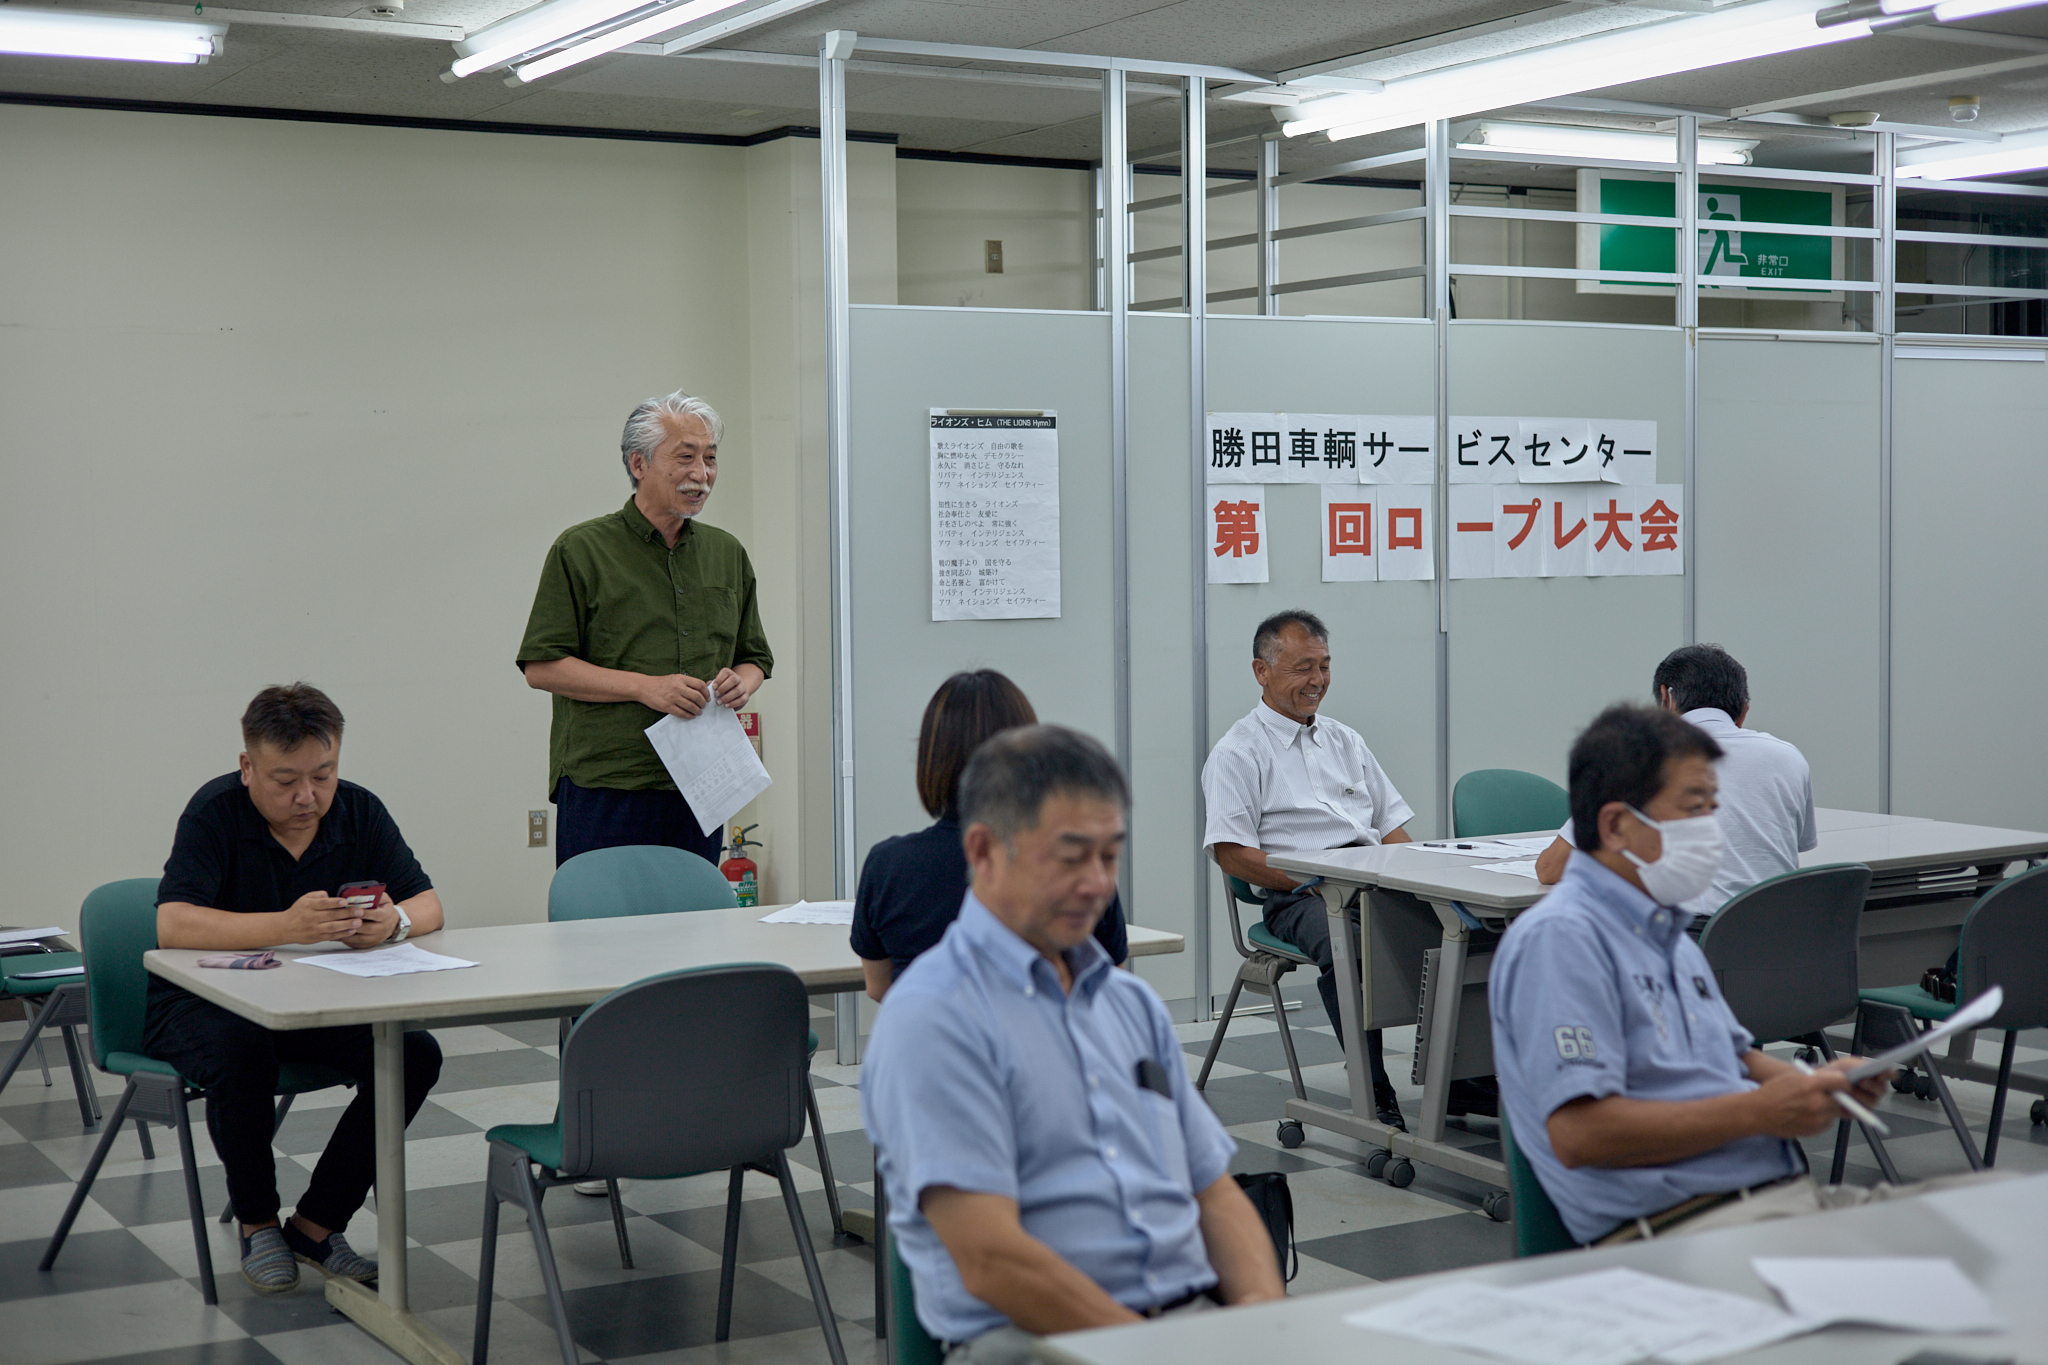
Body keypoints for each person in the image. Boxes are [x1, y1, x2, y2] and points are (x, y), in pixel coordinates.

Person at [863, 726, 1284, 1364]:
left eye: (1109, 856)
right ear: (983, 851)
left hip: (1184, 1325)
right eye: (1069, 856)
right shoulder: (935, 1015)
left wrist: (1260, 1320)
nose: (1096, 884)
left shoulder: (1129, 1004)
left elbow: (1213, 1190)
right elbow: (989, 1259)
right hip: (1034, 1343)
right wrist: (1151, 1353)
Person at [1491, 704, 1891, 1245]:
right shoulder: (1562, 939)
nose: (1711, 830)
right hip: (1684, 1228)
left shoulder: (1667, 935)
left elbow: (1735, 1058)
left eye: (1713, 809)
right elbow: (1580, 1135)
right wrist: (1757, 1113)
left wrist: (1819, 1087)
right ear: (1616, 826)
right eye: (1694, 809)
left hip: (1772, 1203)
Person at [146, 684, 445, 1294]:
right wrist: (285, 927)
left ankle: (316, 1224)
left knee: (415, 1054)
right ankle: (258, 1225)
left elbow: (430, 903)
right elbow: (173, 923)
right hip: (202, 1005)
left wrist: (395, 922)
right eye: (285, 781)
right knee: (241, 1052)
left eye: (324, 774)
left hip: (315, 1001)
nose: (308, 797)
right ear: (247, 767)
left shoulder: (358, 810)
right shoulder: (214, 813)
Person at [1201, 609, 1452, 1130]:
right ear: (1261, 671)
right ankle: (1373, 1092)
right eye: (1302, 668)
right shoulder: (1238, 752)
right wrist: (1316, 881)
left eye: (1324, 666)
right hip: (1298, 897)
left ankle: (1464, 1082)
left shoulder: (1344, 740)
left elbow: (1391, 829)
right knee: (1352, 945)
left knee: (1463, 932)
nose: (1317, 681)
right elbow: (1232, 854)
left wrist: (1426, 882)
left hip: (1374, 881)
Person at [517, 390, 773, 867]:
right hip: (608, 782)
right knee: (601, 934)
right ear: (639, 464)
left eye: (711, 459)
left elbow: (755, 657)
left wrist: (744, 682)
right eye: (685, 458)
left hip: (703, 780)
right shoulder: (582, 549)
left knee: (696, 932)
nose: (702, 474)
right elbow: (542, 666)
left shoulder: (726, 553)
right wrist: (645, 688)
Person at [852, 670, 1128, 1001]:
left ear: (931, 759)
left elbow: (880, 987)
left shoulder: (888, 865)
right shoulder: (1072, 863)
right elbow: (1110, 983)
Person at [1533, 644, 1816, 917]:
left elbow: (1551, 870)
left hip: (1690, 939)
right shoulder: (1788, 757)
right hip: (1782, 940)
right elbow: (1794, 845)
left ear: (1665, 699)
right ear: (1743, 710)